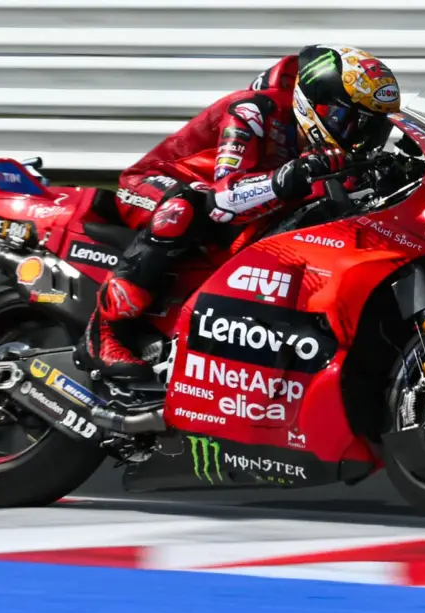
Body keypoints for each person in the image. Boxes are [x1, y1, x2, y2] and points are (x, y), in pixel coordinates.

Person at [80, 44, 403, 380]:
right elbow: (222, 201)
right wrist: (291, 174)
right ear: (314, 104)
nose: (359, 137)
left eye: (371, 128)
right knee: (183, 206)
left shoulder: (325, 145)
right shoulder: (253, 110)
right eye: (348, 120)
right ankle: (104, 332)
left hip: (223, 201)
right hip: (155, 185)